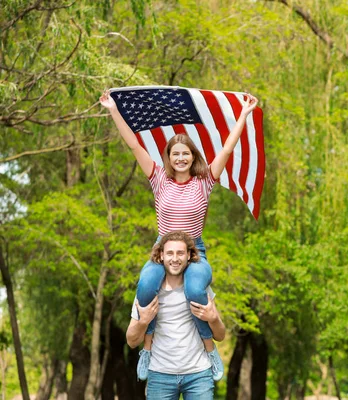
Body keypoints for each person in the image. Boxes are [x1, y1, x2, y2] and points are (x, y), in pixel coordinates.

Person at [100, 88, 258, 381]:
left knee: (196, 291)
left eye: (186, 154)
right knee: (146, 286)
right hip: (163, 249)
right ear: (169, 158)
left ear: (192, 157)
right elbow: (134, 145)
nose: (181, 158)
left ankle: (209, 350)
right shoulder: (158, 178)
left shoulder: (205, 181)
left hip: (194, 249)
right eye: (176, 154)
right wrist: (113, 110)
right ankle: (147, 348)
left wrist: (244, 115)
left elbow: (226, 148)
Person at [126, 231, 226, 400]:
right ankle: (146, 354)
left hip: (198, 374)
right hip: (160, 375)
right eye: (170, 253)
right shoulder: (147, 293)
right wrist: (143, 321)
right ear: (161, 256)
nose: (175, 258)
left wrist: (213, 318)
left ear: (189, 256)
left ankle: (211, 353)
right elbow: (131, 340)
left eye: (180, 253)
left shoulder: (200, 289)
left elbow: (221, 335)